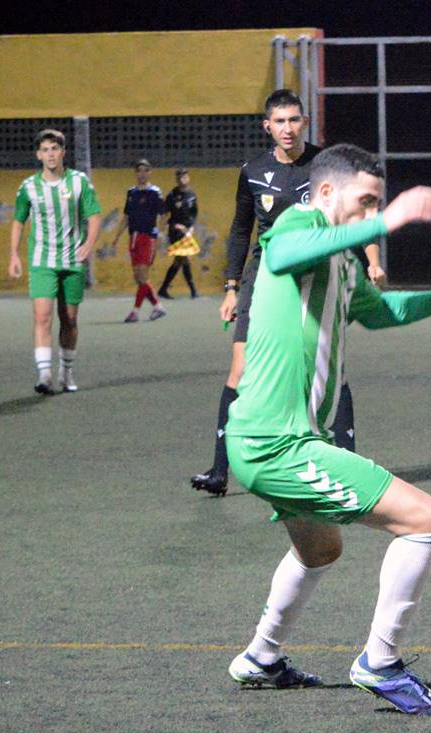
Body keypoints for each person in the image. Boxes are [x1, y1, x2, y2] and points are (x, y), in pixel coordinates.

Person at [224, 143, 431, 715]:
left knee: (320, 551)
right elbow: (281, 256)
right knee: (424, 520)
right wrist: (392, 217)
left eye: (377, 205)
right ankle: (379, 662)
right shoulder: (298, 221)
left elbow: (384, 312)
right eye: (364, 203)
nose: (370, 216)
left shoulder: (342, 258)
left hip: (277, 441)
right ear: (328, 193)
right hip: (275, 443)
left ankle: (259, 658)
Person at [191, 90, 385, 497]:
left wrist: (372, 258)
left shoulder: (325, 166)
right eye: (279, 121)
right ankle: (218, 470)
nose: (287, 128)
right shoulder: (253, 171)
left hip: (316, 274)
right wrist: (230, 288)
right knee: (240, 370)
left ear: (304, 122)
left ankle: (347, 463)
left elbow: (361, 211)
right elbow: (241, 230)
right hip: (264, 278)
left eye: (294, 120)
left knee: (327, 364)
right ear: (267, 126)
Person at [8, 128, 101, 394]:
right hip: (42, 260)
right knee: (42, 316)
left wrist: (89, 243)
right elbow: (18, 221)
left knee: (69, 319)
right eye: (45, 150)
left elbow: (94, 216)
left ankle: (66, 372)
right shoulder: (28, 187)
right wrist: (14, 254)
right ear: (39, 154)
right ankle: (44, 375)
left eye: (55, 149)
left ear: (63, 152)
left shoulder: (79, 182)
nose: (50, 154)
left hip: (72, 260)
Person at [111, 158, 168, 322]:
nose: (142, 173)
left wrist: (160, 234)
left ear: (150, 172)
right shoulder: (132, 192)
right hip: (133, 238)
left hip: (148, 238)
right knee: (138, 278)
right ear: (136, 173)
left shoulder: (155, 192)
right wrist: (117, 237)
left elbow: (163, 215)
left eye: (145, 170)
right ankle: (158, 307)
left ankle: (135, 312)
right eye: (139, 170)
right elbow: (126, 216)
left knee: (142, 276)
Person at [157, 168, 199, 299]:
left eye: (185, 177)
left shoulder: (192, 194)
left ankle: (163, 289)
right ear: (177, 179)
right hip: (175, 231)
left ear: (188, 178)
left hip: (187, 231)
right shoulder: (172, 195)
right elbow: (164, 214)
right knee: (183, 258)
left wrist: (191, 228)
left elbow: (194, 214)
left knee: (179, 261)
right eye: (180, 177)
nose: (182, 179)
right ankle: (193, 291)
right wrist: (162, 229)